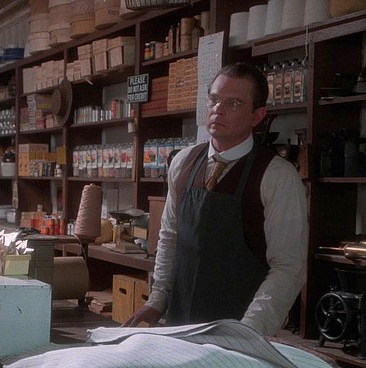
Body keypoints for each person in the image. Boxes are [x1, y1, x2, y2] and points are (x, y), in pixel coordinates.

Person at [123, 63, 307, 336]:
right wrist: (157, 299)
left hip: (239, 330)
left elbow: (288, 267)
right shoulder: (183, 162)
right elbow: (170, 236)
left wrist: (250, 330)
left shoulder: (277, 176)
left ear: (257, 116)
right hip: (179, 324)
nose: (218, 109)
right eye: (214, 99)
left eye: (233, 103)